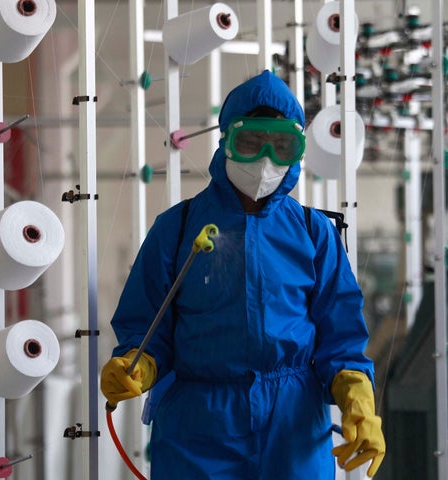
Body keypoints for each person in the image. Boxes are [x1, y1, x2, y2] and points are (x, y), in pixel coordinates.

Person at [101, 70, 386, 479]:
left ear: (297, 151)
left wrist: (358, 399)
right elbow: (146, 325)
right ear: (226, 141)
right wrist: (135, 362)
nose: (265, 160)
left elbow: (341, 338)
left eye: (282, 146)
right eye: (250, 142)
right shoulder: (177, 228)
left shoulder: (314, 233)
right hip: (199, 427)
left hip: (294, 426)